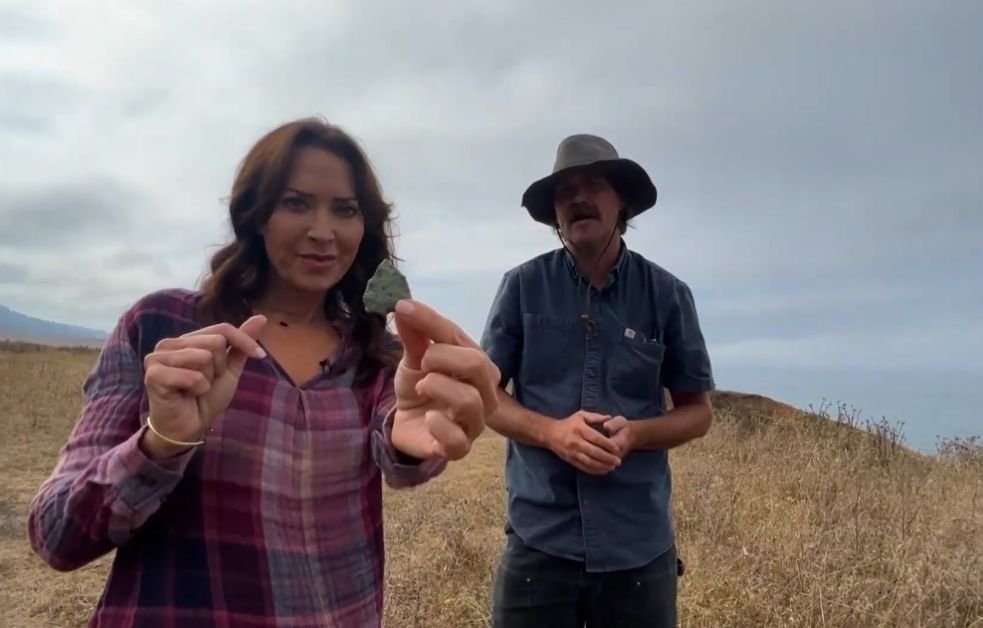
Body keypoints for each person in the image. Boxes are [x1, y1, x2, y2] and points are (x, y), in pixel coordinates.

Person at [27, 117, 500, 628]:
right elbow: (56, 537)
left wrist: (416, 437)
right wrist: (162, 442)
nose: (323, 231)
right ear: (256, 214)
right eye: (296, 203)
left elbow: (400, 430)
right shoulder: (164, 326)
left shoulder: (376, 355)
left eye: (345, 210)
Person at [480, 134, 715, 627]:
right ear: (555, 214)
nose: (577, 197)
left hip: (638, 548)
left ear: (621, 200)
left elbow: (698, 412)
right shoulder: (521, 286)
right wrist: (552, 432)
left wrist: (637, 434)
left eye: (593, 184)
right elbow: (487, 397)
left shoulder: (668, 295)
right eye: (564, 191)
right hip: (538, 543)